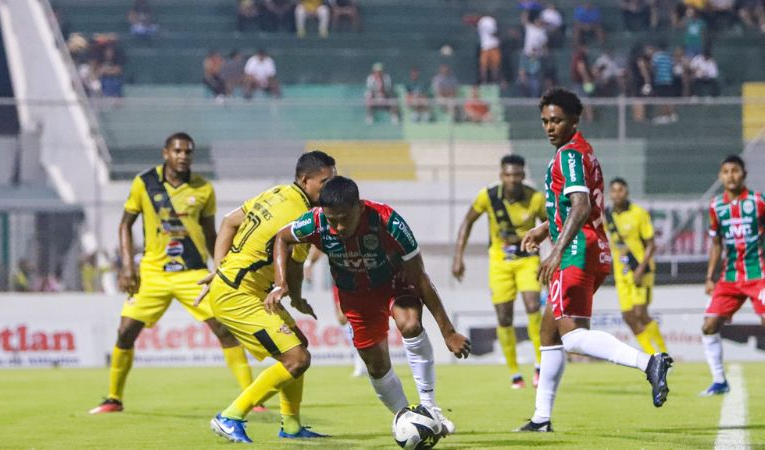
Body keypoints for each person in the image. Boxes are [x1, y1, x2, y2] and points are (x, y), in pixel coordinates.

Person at [517, 88, 672, 432]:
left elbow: (582, 207)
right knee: (549, 332)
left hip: (576, 250)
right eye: (545, 121)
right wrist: (546, 229)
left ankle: (649, 362)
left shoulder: (569, 156)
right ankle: (542, 418)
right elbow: (580, 205)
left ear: (574, 119)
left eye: (556, 120)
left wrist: (556, 250)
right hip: (591, 247)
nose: (549, 127)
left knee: (571, 335)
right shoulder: (583, 152)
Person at [268, 176, 471, 436]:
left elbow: (419, 278)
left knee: (410, 324)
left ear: (360, 207)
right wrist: (280, 283)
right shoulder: (315, 221)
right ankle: (408, 419)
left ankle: (430, 410)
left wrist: (448, 331)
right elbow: (282, 239)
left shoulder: (388, 222)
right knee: (376, 366)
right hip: (355, 295)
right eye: (332, 220)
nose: (338, 227)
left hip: (394, 283)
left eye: (344, 218)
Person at [89, 132, 256, 415]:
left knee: (224, 329)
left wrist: (222, 267)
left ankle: (252, 397)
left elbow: (210, 232)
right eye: (177, 151)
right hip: (152, 273)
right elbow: (124, 225)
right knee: (125, 332)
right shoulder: (145, 183)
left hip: (193, 273)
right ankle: (113, 398)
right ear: (165, 152)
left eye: (188, 152)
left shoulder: (203, 188)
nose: (183, 156)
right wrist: (128, 267)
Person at [197, 151, 337, 443]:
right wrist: (296, 296)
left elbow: (228, 222)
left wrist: (220, 269)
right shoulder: (300, 215)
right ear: (305, 179)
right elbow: (295, 264)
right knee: (296, 359)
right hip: (238, 296)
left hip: (238, 287)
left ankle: (292, 426)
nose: (330, 187)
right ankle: (230, 416)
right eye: (325, 182)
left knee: (298, 348)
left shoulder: (276, 193)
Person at [452, 154, 546, 389]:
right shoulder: (489, 196)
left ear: (523, 175)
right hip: (500, 263)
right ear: (501, 175)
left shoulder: (535, 199)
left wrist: (554, 257)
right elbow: (467, 221)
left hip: (528, 261)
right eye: (508, 175)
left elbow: (551, 226)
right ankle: (515, 373)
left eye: (516, 175)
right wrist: (458, 257)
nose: (512, 179)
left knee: (533, 306)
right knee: (504, 317)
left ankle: (540, 365)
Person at [701, 155, 765, 396]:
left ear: (744, 174)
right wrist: (710, 276)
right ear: (720, 176)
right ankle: (719, 381)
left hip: (760, 275)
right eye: (726, 171)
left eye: (735, 170)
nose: (731, 175)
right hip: (730, 277)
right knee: (709, 324)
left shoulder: (758, 201)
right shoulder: (716, 207)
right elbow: (716, 243)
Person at [606, 178, 668, 355]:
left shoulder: (638, 213)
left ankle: (663, 353)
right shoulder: (607, 216)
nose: (617, 194)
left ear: (626, 192)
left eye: (621, 190)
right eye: (614, 190)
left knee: (640, 312)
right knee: (628, 316)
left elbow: (651, 244)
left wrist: (641, 268)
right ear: (610, 194)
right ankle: (651, 356)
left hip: (641, 269)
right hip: (621, 273)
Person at [303, 246, 367, 377]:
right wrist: (309, 263)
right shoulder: (328, 231)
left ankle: (363, 358)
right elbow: (320, 247)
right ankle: (360, 356)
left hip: (358, 276)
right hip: (339, 277)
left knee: (357, 316)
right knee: (342, 319)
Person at [476, 15, 502, 85]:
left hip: (490, 46)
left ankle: (493, 82)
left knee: (493, 67)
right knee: (486, 67)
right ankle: (485, 82)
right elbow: (493, 33)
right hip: (488, 47)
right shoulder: (485, 21)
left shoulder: (485, 21)